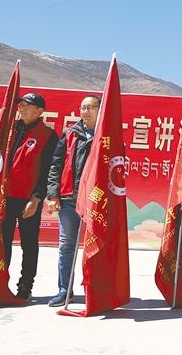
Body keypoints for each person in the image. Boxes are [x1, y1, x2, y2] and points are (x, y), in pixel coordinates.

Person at [1, 92, 58, 301]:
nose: (22, 108)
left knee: (29, 244)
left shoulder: (48, 135)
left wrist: (36, 199)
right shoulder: (10, 130)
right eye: (21, 105)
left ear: (39, 111)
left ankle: (25, 287)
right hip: (5, 198)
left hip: (28, 200)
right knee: (2, 243)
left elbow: (48, 171)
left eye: (28, 105)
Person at [45, 94, 101, 306]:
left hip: (96, 201)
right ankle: (64, 290)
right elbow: (55, 166)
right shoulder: (70, 133)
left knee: (97, 246)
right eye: (83, 107)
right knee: (67, 246)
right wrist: (53, 195)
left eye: (90, 107)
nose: (86, 111)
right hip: (69, 199)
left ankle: (96, 290)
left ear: (100, 109)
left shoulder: (106, 135)